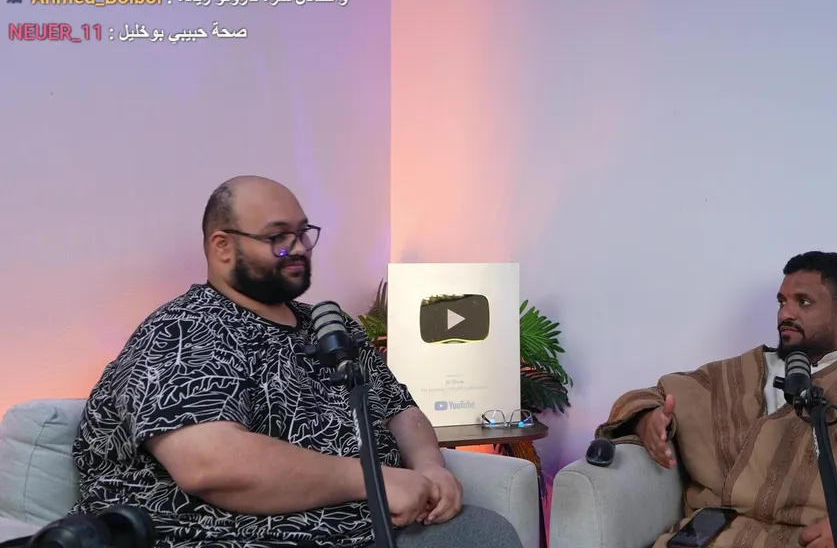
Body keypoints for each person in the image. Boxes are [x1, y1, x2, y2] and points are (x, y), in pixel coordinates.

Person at [72, 176, 521, 548]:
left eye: (303, 233)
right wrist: (374, 481)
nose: (300, 247)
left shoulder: (327, 325)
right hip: (234, 534)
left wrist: (429, 467)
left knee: (484, 532)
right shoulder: (185, 329)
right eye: (278, 237)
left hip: (371, 524)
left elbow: (399, 408)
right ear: (223, 246)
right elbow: (210, 463)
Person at [597, 251, 837, 548]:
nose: (785, 313)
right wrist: (648, 419)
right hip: (714, 536)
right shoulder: (738, 372)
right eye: (782, 302)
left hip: (818, 537)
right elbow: (656, 396)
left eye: (803, 302)